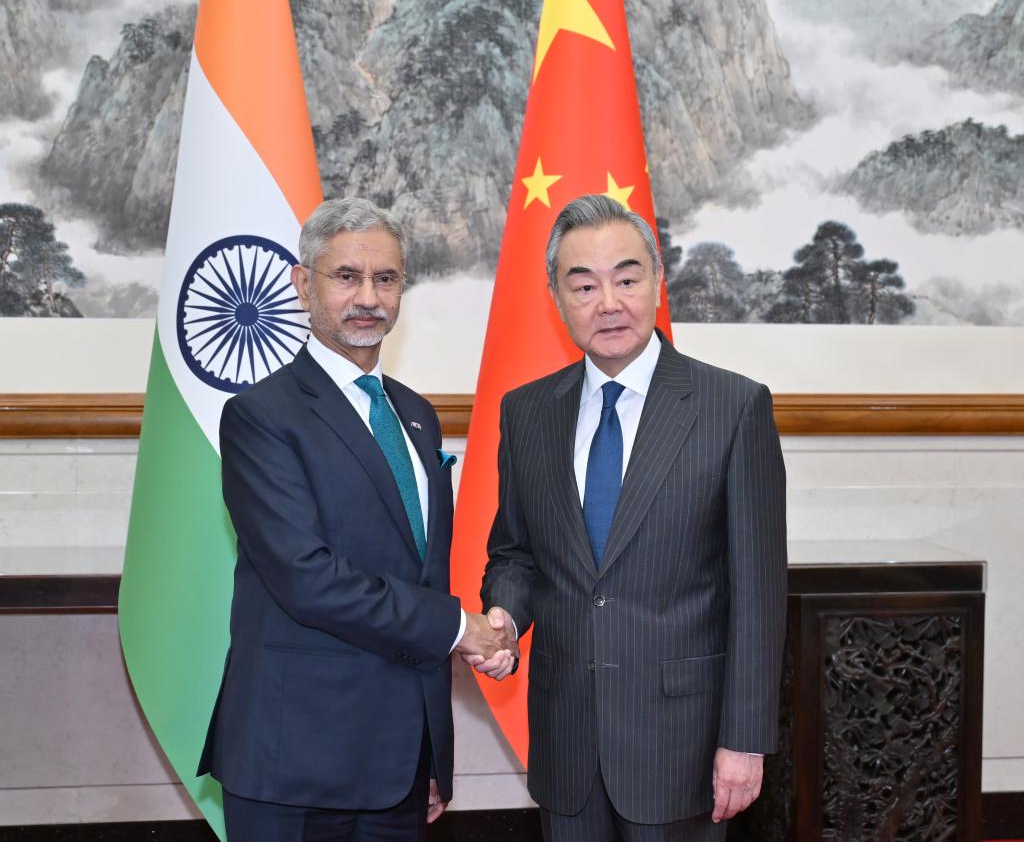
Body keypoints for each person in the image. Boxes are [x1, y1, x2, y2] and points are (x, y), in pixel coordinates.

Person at [198, 197, 516, 841]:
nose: (368, 297)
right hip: (295, 765)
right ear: (302, 284)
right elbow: (306, 578)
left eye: (386, 279)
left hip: (399, 768)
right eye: (346, 276)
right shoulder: (262, 416)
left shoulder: (416, 415)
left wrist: (430, 752)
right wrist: (462, 629)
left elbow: (421, 574)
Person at [471, 194, 787, 841]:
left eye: (627, 278)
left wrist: (745, 740)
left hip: (683, 746)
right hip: (566, 743)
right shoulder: (527, 413)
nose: (608, 303)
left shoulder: (732, 408)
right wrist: (504, 616)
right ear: (556, 297)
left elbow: (758, 593)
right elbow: (516, 553)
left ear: (657, 281)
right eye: (584, 285)